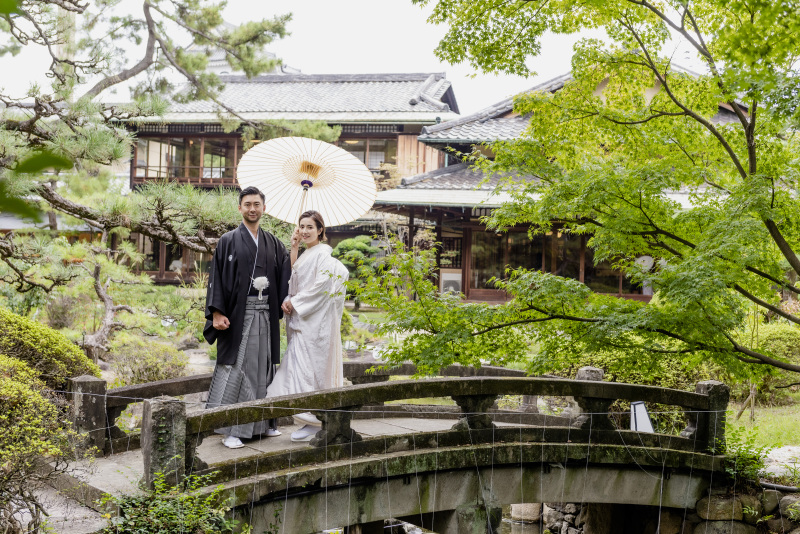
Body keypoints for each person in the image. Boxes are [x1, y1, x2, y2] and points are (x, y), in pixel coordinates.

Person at [203, 186, 291, 449]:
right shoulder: (228, 240)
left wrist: (295, 246)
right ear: (240, 208)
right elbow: (216, 277)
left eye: (257, 204)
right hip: (238, 316)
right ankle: (232, 430)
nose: (252, 209)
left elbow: (287, 273)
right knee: (238, 368)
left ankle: (264, 424)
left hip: (266, 314)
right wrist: (216, 312)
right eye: (248, 204)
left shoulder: (274, 242)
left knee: (264, 367)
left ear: (264, 208)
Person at [267, 210, 349, 442]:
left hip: (314, 324)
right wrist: (294, 248)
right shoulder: (307, 253)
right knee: (297, 369)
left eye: (310, 227)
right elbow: (295, 278)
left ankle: (313, 421)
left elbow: (321, 286)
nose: (304, 231)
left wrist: (295, 301)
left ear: (320, 230)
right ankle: (309, 420)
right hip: (302, 321)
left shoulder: (323, 255)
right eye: (301, 226)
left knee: (307, 370)